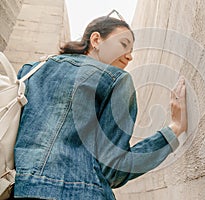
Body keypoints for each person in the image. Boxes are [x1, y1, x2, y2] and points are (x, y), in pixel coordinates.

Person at [14, 10, 187, 200]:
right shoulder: (116, 80)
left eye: (131, 51)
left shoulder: (31, 70)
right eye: (124, 44)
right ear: (96, 40)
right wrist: (174, 130)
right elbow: (114, 170)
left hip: (21, 190)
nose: (129, 57)